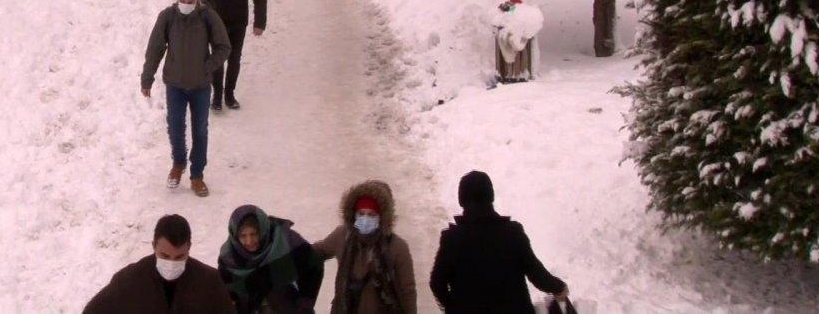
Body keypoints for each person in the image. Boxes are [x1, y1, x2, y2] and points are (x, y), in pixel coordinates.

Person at [430, 171, 570, 314]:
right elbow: (536, 274)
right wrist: (558, 287)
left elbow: (436, 283)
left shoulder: (453, 238)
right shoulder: (512, 233)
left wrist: (453, 307)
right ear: (491, 197)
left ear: (462, 200)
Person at [141, 0, 231, 197]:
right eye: (181, 0)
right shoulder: (168, 17)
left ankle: (197, 174)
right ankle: (178, 163)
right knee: (175, 126)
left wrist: (207, 67)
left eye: (189, 1)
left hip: (200, 86)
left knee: (200, 130)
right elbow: (155, 48)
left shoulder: (208, 17)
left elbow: (223, 47)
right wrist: (147, 78)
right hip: (175, 84)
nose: (185, 4)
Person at [83, 214, 235, 313]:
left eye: (179, 256)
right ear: (153, 246)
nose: (171, 262)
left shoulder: (209, 282)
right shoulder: (130, 280)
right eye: (165, 255)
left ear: (189, 248)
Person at [314, 180, 417, 314]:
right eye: (361, 213)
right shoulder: (342, 237)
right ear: (353, 214)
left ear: (382, 217)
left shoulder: (397, 247)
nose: (365, 219)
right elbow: (316, 251)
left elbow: (407, 290)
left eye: (371, 214)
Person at [194, 0, 267, 111]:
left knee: (234, 59)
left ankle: (229, 94)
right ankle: (217, 96)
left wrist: (260, 22)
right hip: (215, 22)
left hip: (238, 22)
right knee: (217, 59)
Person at [219, 205, 325, 314]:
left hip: (286, 304)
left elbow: (313, 264)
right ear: (235, 236)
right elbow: (227, 291)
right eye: (243, 236)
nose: (249, 241)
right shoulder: (229, 257)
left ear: (262, 230)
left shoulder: (285, 240)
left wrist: (305, 303)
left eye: (254, 234)